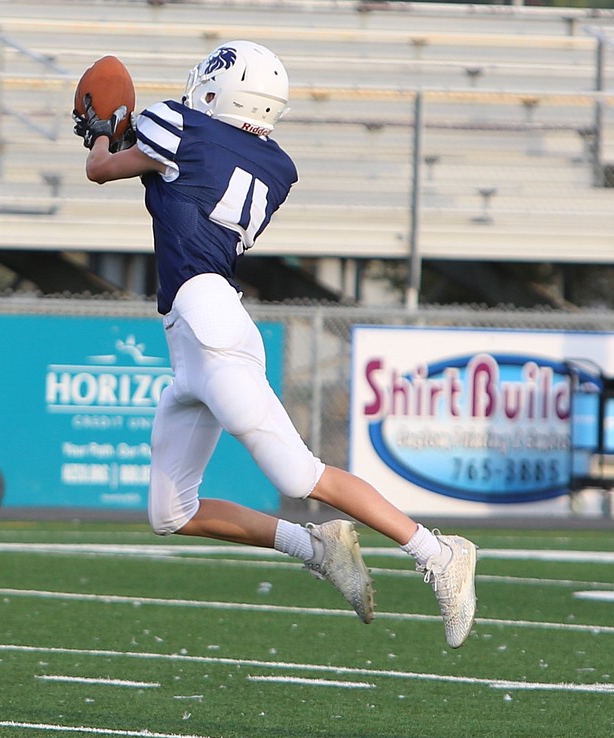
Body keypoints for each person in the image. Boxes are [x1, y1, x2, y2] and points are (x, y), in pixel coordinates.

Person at [74, 41, 478, 648]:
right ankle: (313, 543)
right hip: (196, 339)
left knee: (299, 475)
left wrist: (105, 132)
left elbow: (101, 169)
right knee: (170, 513)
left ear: (215, 90)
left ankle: (437, 551)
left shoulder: (177, 122)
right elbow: (193, 179)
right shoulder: (277, 166)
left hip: (210, 326)